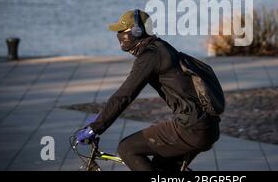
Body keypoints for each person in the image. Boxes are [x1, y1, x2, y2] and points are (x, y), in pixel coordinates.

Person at [75, 9, 221, 171]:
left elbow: (125, 95)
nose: (118, 35)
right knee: (162, 167)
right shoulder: (160, 47)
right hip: (206, 125)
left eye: (122, 30)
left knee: (127, 149)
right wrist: (100, 120)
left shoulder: (150, 56)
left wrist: (96, 127)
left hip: (192, 128)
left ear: (137, 31)